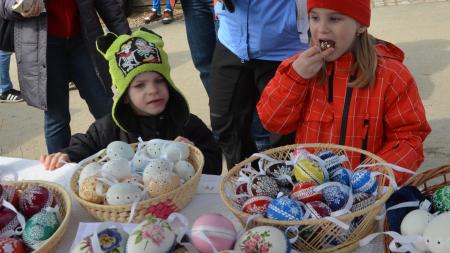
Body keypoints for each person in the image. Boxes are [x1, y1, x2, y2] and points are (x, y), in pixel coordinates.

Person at [257, 0, 431, 184]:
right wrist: (294, 78)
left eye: (334, 19)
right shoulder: (297, 68)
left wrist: (373, 178)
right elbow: (273, 123)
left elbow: (409, 138)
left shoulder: (392, 75)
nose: (321, 29)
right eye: (314, 18)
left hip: (371, 198)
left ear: (361, 25)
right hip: (311, 195)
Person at [40, 28, 222, 175]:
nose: (152, 90)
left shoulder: (187, 123)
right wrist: (67, 156)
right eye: (140, 85)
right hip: (126, 214)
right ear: (124, 95)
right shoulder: (108, 129)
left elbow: (214, 163)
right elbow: (84, 145)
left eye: (159, 81)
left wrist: (194, 155)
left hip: (181, 204)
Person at [0, 0, 130, 153]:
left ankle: (124, 160)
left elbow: (107, 4)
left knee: (105, 108)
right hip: (44, 46)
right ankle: (60, 172)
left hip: (83, 39)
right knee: (57, 119)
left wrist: (126, 39)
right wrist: (15, 6)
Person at [209, 0, 309, 169]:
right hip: (232, 41)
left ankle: (285, 190)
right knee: (226, 127)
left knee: (285, 137)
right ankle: (244, 188)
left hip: (284, 47)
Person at [180, 0, 216, 94]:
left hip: (227, 4)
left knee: (233, 60)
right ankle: (219, 107)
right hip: (192, 3)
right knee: (204, 64)